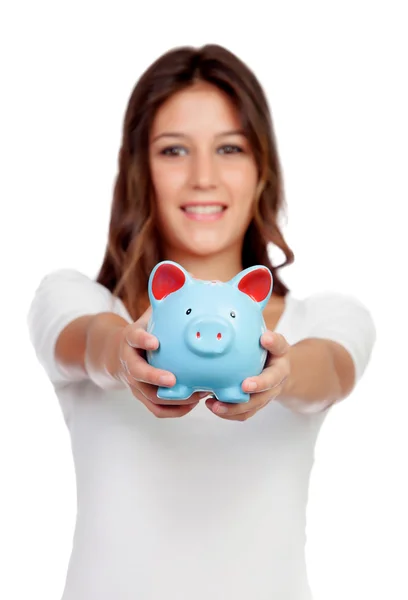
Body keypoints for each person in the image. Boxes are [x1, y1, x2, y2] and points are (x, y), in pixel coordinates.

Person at [27, 44, 376, 600]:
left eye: (230, 148)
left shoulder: (328, 318)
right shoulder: (77, 300)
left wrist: (278, 372)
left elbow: (329, 371)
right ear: (140, 170)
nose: (203, 178)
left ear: (263, 171)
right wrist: (124, 353)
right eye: (173, 151)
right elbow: (85, 342)